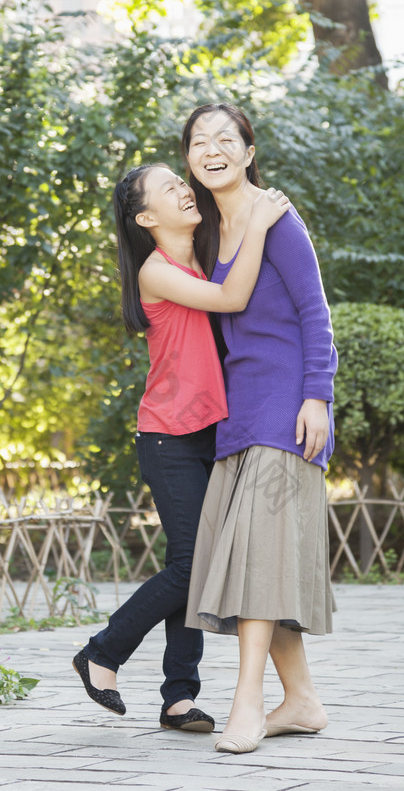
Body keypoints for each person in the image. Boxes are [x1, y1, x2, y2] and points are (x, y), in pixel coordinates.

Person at [72, 162, 289, 732]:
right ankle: (102, 653)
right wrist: (263, 222)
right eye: (168, 187)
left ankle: (178, 697)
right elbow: (233, 297)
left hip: (213, 432)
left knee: (190, 563)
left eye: (180, 181)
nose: (183, 188)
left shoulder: (206, 251)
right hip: (168, 436)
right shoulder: (156, 270)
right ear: (146, 217)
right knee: (195, 564)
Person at [181, 102, 337, 755]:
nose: (211, 148)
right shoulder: (207, 233)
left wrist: (317, 398)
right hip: (238, 415)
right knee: (259, 557)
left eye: (225, 139)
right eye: (198, 141)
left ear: (249, 152)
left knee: (259, 556)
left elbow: (314, 311)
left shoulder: (278, 216)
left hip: (286, 409)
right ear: (189, 158)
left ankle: (246, 702)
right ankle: (299, 702)